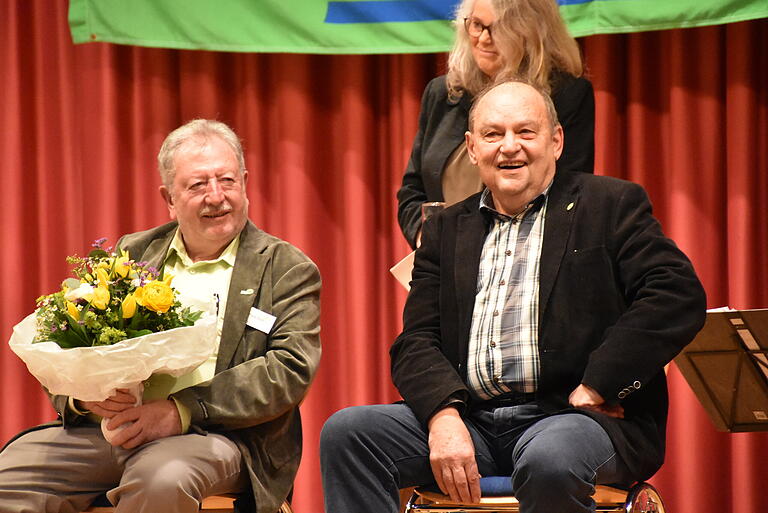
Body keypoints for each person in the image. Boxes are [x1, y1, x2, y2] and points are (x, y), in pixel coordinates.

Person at [321, 81, 706, 513]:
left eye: (526, 132)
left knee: (549, 458)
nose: (509, 147)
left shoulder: (610, 205)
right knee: (348, 433)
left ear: (556, 141)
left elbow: (676, 294)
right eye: (493, 134)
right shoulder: (447, 230)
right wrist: (442, 416)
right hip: (474, 420)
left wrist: (600, 384)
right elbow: (416, 340)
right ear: (471, 147)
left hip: (575, 419)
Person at [0, 120, 322, 513]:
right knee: (12, 477)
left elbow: (289, 371)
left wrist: (179, 411)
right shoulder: (133, 251)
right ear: (169, 197)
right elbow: (67, 338)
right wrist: (84, 400)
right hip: (109, 432)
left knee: (160, 479)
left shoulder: (285, 267)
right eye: (198, 185)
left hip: (218, 436)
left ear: (245, 182)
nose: (216, 197)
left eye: (227, 180)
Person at [398, 0, 595, 249]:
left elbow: (569, 194)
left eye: (499, 28)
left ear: (531, 32)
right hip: (444, 259)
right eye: (477, 25)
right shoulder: (443, 93)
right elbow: (412, 191)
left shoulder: (567, 94)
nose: (483, 39)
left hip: (527, 256)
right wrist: (428, 241)